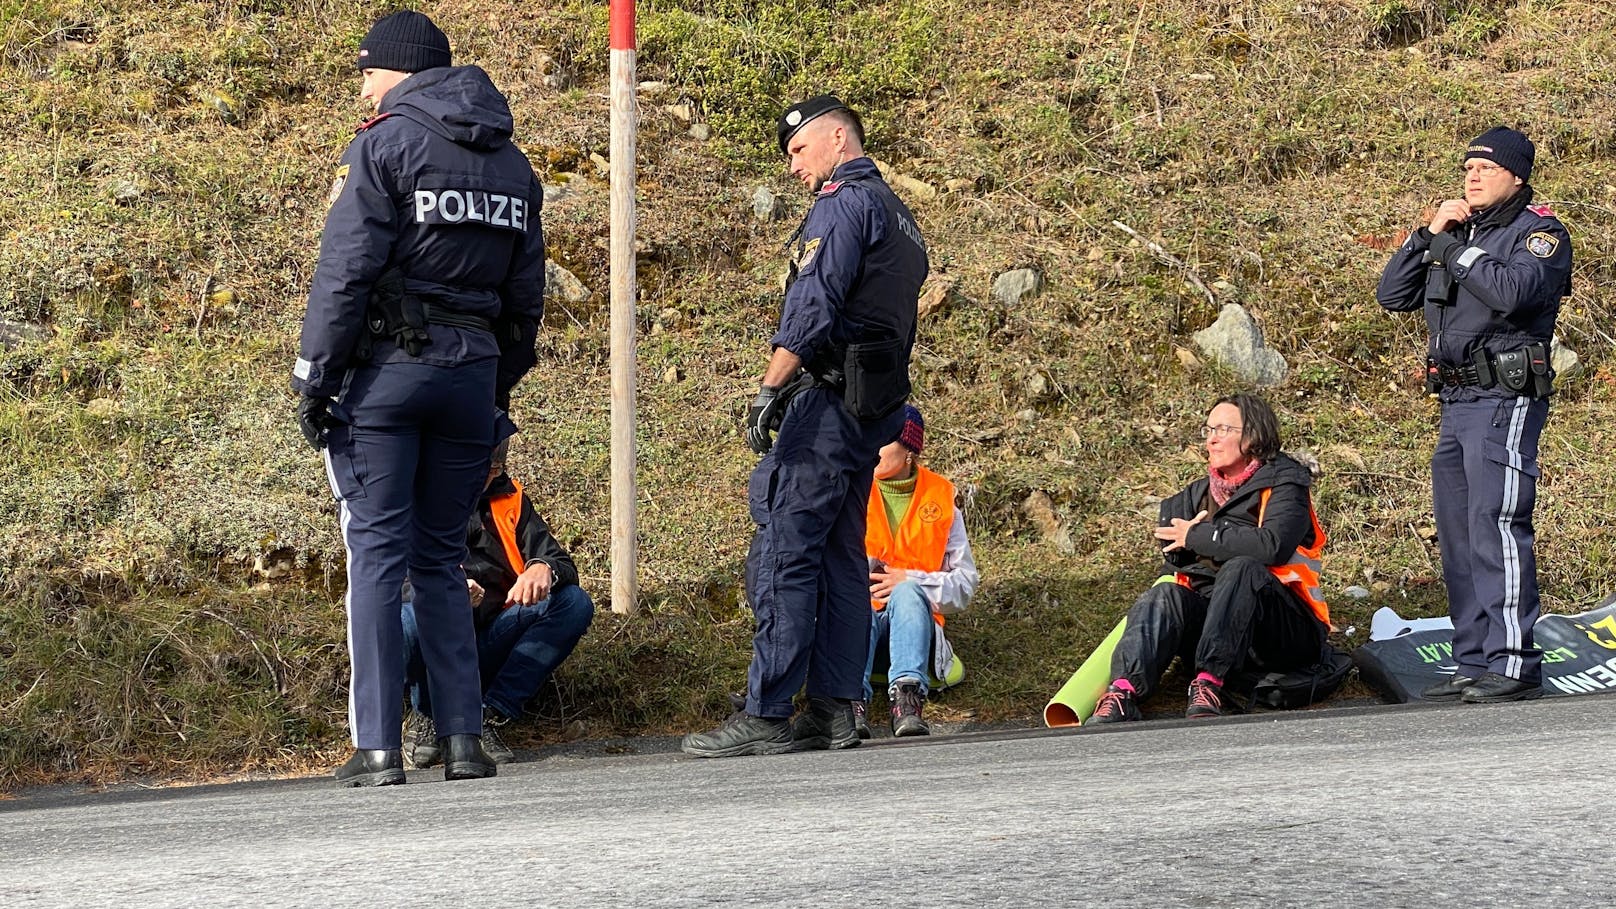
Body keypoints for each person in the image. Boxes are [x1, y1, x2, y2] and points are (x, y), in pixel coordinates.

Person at [291, 10, 547, 786]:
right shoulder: (513, 164)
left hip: (388, 378)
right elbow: (525, 300)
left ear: (398, 69)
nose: (363, 87)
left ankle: (378, 747)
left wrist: (313, 376)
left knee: (375, 554)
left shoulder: (385, 144)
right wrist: (494, 382)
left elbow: (345, 272)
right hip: (470, 380)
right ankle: (463, 741)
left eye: (368, 71)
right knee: (440, 556)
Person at [681, 95, 928, 757]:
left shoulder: (843, 204)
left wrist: (770, 385)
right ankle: (833, 709)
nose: (792, 167)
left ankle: (766, 712)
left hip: (823, 403)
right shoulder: (903, 219)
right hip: (873, 408)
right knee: (843, 556)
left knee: (789, 550)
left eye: (797, 150)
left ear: (838, 138)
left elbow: (813, 302)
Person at [1376, 126, 1571, 704]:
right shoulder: (1458, 233)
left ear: (1516, 175)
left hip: (1503, 399)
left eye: (1486, 167)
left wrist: (1455, 251)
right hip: (1455, 402)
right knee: (1460, 535)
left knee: (1497, 523)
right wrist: (1426, 237)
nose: (1473, 174)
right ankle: (1474, 659)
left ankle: (1513, 662)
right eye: (1468, 166)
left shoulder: (1539, 233)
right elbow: (1393, 295)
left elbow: (1513, 292)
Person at [1089, 393, 1330, 723]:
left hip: (1284, 630)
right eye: (1208, 429)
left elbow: (1271, 545)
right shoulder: (1194, 495)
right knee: (1165, 593)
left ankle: (1209, 684)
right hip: (1220, 630)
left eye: (1223, 429)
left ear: (1253, 435)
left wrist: (1200, 537)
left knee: (1243, 567)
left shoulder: (1286, 481)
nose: (1211, 439)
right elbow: (1174, 567)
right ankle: (1122, 691)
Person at [400, 439, 594, 768]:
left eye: (493, 468)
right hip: (437, 635)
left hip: (494, 636)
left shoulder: (511, 497)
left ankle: (487, 715)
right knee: (408, 617)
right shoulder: (413, 497)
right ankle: (427, 714)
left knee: (573, 603)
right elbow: (387, 582)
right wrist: (444, 589)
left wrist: (542, 568)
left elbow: (560, 561)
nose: (484, 477)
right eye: (475, 467)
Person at [858, 404, 978, 738]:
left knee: (909, 591)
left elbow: (965, 585)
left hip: (917, 634)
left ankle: (908, 701)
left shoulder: (941, 497)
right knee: (854, 599)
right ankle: (851, 702)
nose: (873, 448)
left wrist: (910, 580)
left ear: (909, 450)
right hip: (855, 628)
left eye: (883, 441)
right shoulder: (851, 487)